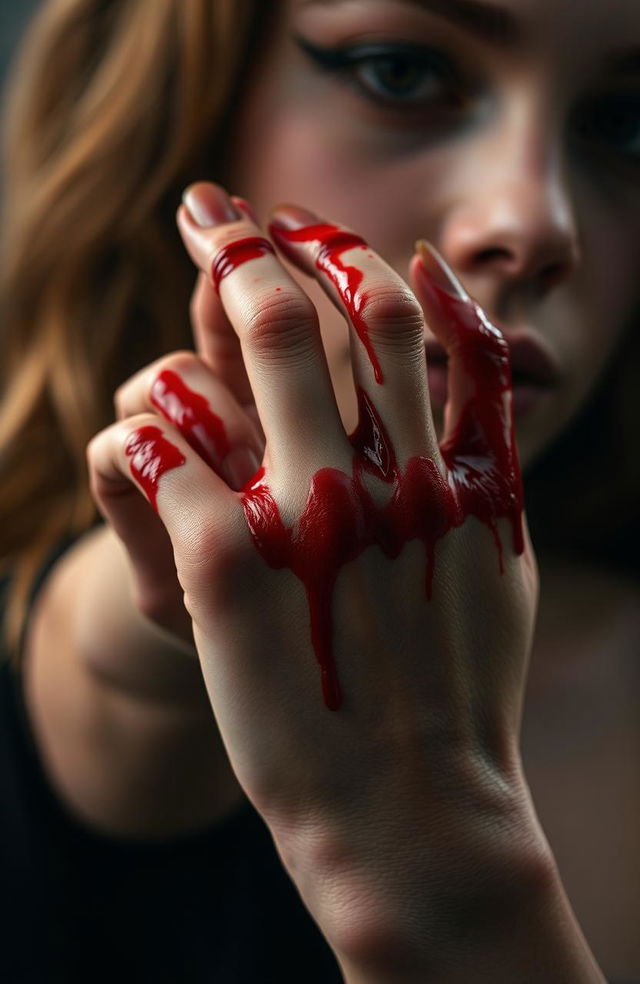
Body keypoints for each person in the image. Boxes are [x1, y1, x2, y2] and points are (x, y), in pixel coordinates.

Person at [0, 0, 638, 981]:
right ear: (195, 108)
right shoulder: (116, 631)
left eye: (624, 124)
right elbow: (119, 656)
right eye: (401, 72)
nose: (534, 222)